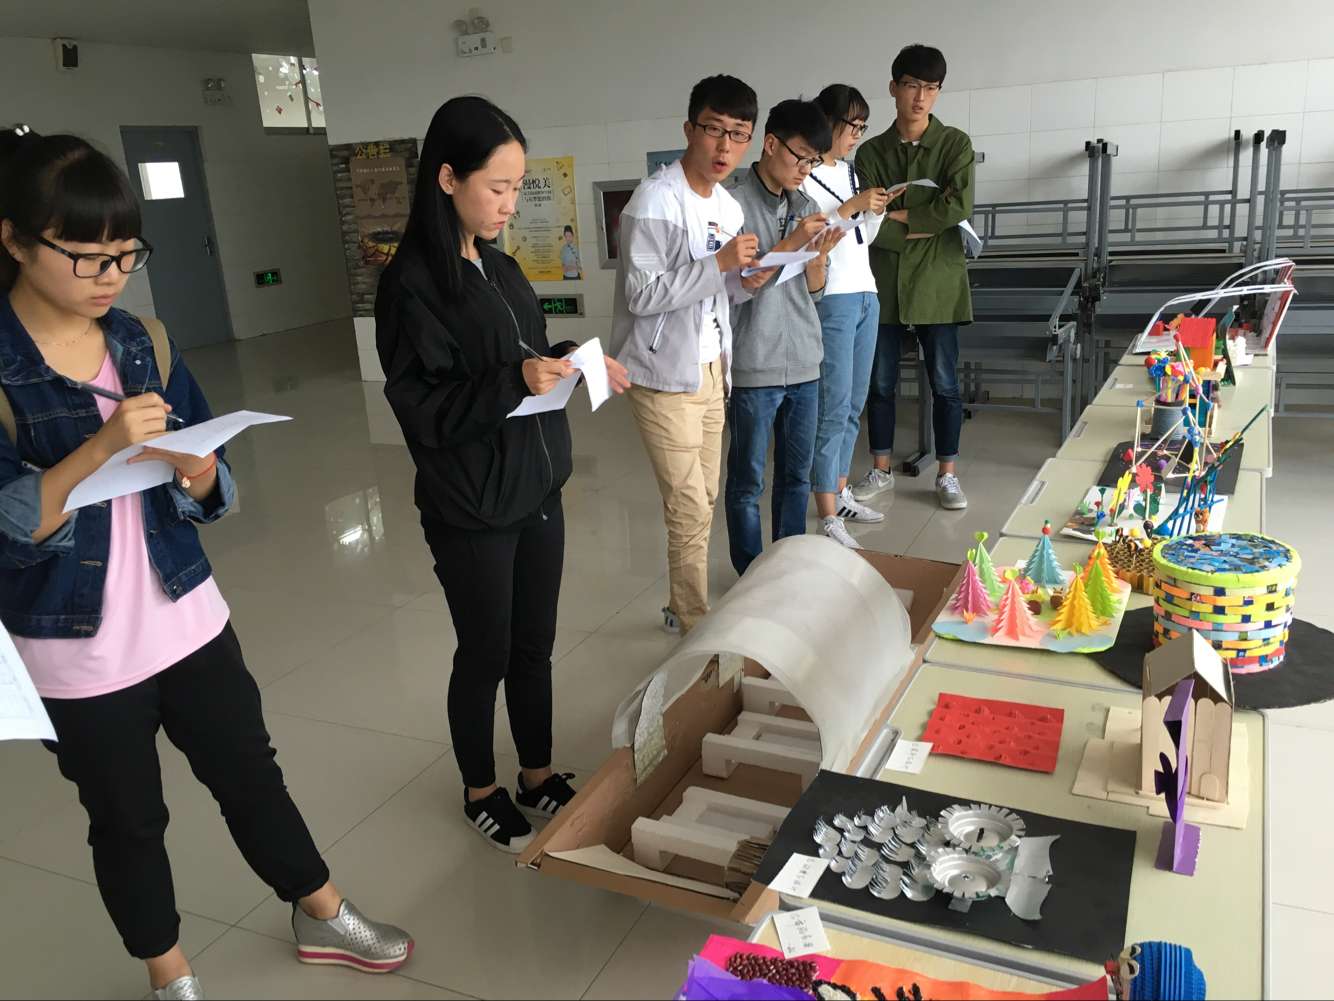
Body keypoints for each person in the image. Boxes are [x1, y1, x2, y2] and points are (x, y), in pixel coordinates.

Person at [0, 128, 412, 1001]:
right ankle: (171, 974)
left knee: (250, 771)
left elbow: (211, 480)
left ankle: (320, 908)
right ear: (14, 240)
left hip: (186, 613)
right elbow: (11, 526)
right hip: (76, 648)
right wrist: (96, 449)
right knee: (128, 819)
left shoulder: (140, 340)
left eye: (126, 253)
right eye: (87, 256)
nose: (112, 275)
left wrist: (199, 471)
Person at [376, 98, 629, 854]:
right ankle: (480, 789)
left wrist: (570, 361)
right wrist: (514, 380)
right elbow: (424, 411)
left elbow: (521, 353)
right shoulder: (412, 285)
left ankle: (537, 773)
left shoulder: (501, 265)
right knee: (484, 652)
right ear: (447, 178)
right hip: (472, 504)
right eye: (497, 187)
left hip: (536, 487)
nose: (510, 204)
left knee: (534, 645)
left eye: (517, 187)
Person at [609, 75, 762, 634]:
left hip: (712, 369)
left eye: (738, 134)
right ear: (689, 130)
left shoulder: (727, 205)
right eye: (714, 130)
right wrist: (719, 265)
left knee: (705, 496)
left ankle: (681, 606)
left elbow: (722, 293)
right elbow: (642, 295)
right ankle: (695, 620)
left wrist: (749, 280)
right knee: (689, 504)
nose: (725, 146)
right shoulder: (654, 200)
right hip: (660, 374)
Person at [852, 44, 976, 511]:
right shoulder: (871, 152)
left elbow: (957, 207)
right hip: (883, 282)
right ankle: (881, 468)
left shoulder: (954, 145)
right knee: (879, 383)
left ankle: (947, 474)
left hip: (938, 283)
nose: (920, 97)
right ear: (894, 88)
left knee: (945, 382)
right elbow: (868, 221)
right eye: (911, 86)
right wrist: (922, 220)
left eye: (931, 88)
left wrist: (898, 215)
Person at [725, 99, 844, 575]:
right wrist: (792, 243)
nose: (805, 169)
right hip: (755, 361)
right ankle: (751, 574)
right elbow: (740, 287)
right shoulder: (731, 204)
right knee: (748, 481)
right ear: (771, 144)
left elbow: (814, 294)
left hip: (805, 361)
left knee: (796, 477)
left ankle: (786, 569)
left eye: (813, 161)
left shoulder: (807, 205)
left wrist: (818, 261)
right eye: (800, 157)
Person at [801, 84, 894, 549]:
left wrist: (874, 211)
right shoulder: (805, 174)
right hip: (832, 296)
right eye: (850, 125)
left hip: (865, 292)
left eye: (862, 126)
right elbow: (810, 237)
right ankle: (826, 512)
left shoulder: (853, 172)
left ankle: (840, 494)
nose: (857, 134)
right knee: (832, 405)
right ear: (827, 122)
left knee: (855, 402)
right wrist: (852, 207)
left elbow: (863, 237)